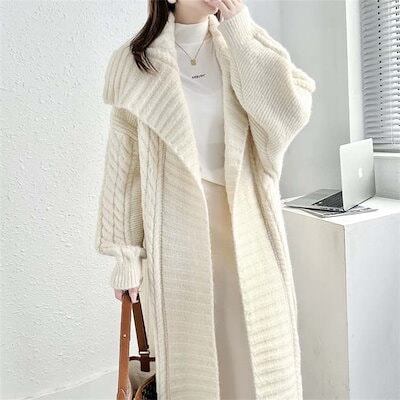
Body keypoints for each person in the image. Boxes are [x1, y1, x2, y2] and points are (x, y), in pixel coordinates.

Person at [95, 0, 316, 398]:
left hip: (248, 233)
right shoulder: (133, 62)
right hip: (177, 242)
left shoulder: (242, 42)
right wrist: (126, 256)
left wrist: (240, 32)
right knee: (200, 370)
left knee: (256, 365)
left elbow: (287, 116)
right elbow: (125, 169)